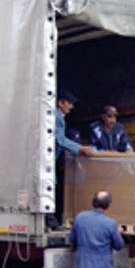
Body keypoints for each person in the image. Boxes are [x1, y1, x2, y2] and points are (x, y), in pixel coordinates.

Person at [51, 89, 94, 230]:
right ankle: (51, 222)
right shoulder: (56, 117)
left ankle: (53, 221)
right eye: (69, 103)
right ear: (60, 103)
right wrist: (79, 148)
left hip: (53, 160)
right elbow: (59, 139)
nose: (71, 107)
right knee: (50, 187)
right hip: (49, 161)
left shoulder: (59, 117)